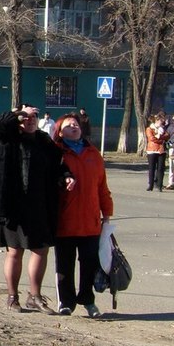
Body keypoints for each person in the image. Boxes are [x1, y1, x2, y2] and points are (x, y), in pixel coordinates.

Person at [0, 106, 74, 314]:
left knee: (40, 250)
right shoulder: (9, 138)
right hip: (13, 204)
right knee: (15, 251)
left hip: (40, 204)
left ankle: (35, 296)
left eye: (34, 117)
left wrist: (66, 176)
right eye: (25, 118)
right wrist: (18, 112)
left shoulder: (44, 141)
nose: (30, 121)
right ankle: (12, 296)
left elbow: (58, 164)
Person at [51, 113, 113, 317]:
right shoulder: (56, 154)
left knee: (89, 263)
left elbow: (102, 186)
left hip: (90, 220)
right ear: (60, 132)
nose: (74, 127)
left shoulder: (93, 153)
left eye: (76, 124)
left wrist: (107, 213)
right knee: (64, 264)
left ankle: (88, 299)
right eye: (68, 125)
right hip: (65, 219)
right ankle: (66, 302)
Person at [144, 113, 170, 192]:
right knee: (151, 168)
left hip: (161, 150)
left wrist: (160, 137)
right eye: (159, 121)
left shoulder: (163, 129)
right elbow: (152, 138)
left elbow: (167, 136)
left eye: (162, 121)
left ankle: (160, 185)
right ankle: (150, 185)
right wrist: (162, 139)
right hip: (152, 150)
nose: (161, 123)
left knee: (161, 169)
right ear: (156, 121)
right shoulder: (149, 128)